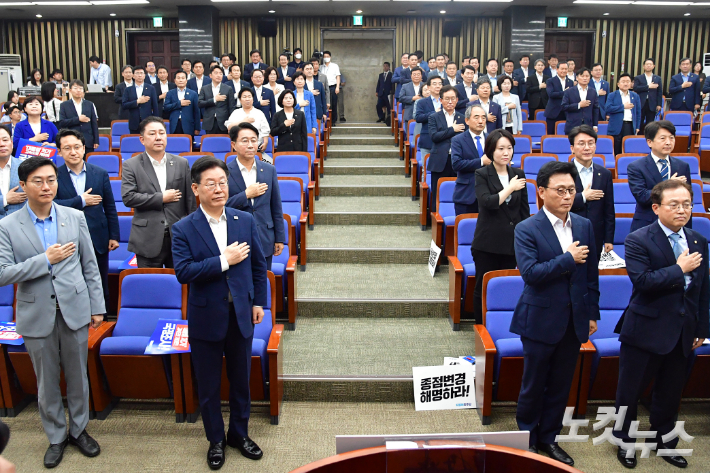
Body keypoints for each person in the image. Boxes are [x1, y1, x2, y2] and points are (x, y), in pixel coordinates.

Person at [0, 157, 105, 469]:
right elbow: (4, 273)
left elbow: (90, 265)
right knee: (46, 382)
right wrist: (45, 259)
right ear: (23, 186)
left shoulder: (73, 216)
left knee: (78, 376)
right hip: (36, 312)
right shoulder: (7, 225)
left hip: (75, 308)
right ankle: (56, 436)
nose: (46, 186)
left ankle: (79, 430)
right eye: (38, 181)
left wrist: (97, 306)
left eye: (51, 180)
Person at [171, 156, 267, 471]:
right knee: (209, 386)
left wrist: (258, 303)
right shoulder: (183, 228)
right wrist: (224, 260)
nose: (218, 189)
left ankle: (239, 434)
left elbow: (257, 267)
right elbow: (184, 272)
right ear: (196, 189)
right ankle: (216, 440)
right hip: (205, 317)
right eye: (210, 184)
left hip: (241, 314)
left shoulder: (244, 220)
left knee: (241, 381)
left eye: (222, 182)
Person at [612, 179, 707, 470]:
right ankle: (624, 441)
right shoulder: (639, 239)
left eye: (687, 204)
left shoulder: (697, 239)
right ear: (656, 208)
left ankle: (665, 443)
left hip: (683, 331)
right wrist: (679, 269)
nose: (682, 210)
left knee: (670, 391)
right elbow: (643, 282)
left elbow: (703, 289)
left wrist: (702, 329)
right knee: (630, 392)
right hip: (645, 329)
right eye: (674, 204)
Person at [512, 160, 599, 466]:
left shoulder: (584, 225)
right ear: (541, 192)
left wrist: (591, 314)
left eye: (572, 190)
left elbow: (591, 276)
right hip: (539, 319)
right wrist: (567, 258)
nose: (567, 196)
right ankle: (527, 438)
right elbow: (531, 273)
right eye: (560, 190)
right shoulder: (527, 228)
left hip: (574, 319)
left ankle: (549, 437)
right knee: (534, 383)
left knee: (562, 384)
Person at [54, 128, 119, 313]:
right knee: (72, 284)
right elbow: (52, 204)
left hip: (97, 237)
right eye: (67, 148)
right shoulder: (54, 176)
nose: (73, 152)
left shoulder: (99, 173)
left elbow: (110, 206)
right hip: (66, 239)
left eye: (77, 147)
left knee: (99, 282)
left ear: (84, 148)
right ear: (60, 151)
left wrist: (113, 235)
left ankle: (102, 322)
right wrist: (80, 200)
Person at [121, 117, 196, 268]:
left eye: (162, 133)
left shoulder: (181, 163)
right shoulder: (131, 165)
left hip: (178, 235)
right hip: (147, 238)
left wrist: (191, 231)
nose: (158, 137)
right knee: (150, 287)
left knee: (179, 285)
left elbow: (190, 200)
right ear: (142, 139)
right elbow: (129, 197)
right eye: (152, 133)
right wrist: (161, 198)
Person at [471, 129, 528, 321]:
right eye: (500, 148)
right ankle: (481, 328)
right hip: (488, 242)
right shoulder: (482, 174)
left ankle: (502, 325)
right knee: (483, 286)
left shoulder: (518, 173)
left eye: (509, 148)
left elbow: (524, 212)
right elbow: (488, 203)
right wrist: (510, 187)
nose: (506, 153)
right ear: (490, 151)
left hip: (512, 243)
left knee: (506, 286)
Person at [226, 123, 284, 269]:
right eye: (245, 141)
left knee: (262, 283)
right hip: (235, 240)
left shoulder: (269, 169)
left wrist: (279, 239)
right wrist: (246, 195)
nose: (251, 145)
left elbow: (276, 206)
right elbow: (221, 206)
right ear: (234, 145)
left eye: (253, 140)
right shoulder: (224, 172)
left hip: (264, 236)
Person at [628, 120, 692, 233]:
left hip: (676, 225)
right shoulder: (636, 167)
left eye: (671, 138)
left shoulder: (682, 166)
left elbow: (688, 198)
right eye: (663, 138)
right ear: (649, 142)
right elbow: (642, 197)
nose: (668, 142)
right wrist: (668, 184)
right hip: (647, 224)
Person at [569, 125, 614, 262]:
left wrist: (608, 239)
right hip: (570, 232)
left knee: (593, 276)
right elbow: (557, 204)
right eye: (581, 144)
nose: (587, 148)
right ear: (572, 148)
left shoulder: (604, 174)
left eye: (591, 143)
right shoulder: (564, 172)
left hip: (596, 234)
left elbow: (609, 209)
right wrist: (583, 197)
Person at [428, 85, 466, 209]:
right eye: (447, 98)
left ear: (457, 100)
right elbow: (434, 136)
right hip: (440, 161)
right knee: (438, 192)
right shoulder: (434, 117)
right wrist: (452, 130)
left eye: (453, 98)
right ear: (441, 100)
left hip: (458, 159)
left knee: (458, 191)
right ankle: (435, 220)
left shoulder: (462, 117)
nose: (450, 102)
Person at [451, 104, 489, 216]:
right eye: (476, 117)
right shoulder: (458, 140)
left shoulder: (492, 138)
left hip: (489, 195)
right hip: (466, 195)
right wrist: (481, 162)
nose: (481, 121)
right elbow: (456, 164)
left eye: (483, 118)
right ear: (467, 120)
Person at [57, 80, 100, 150]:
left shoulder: (89, 104)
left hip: (88, 141)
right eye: (75, 88)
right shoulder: (64, 105)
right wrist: (78, 119)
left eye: (80, 88)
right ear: (70, 90)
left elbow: (94, 123)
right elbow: (62, 122)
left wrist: (96, 140)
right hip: (71, 140)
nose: (78, 90)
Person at [606, 73, 641, 157]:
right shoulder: (612, 95)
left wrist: (637, 127)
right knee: (616, 149)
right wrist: (623, 107)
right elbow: (608, 108)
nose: (626, 83)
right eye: (623, 81)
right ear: (618, 84)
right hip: (616, 126)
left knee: (628, 149)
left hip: (629, 125)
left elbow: (638, 112)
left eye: (628, 81)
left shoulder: (635, 96)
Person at [225, 89, 270, 153]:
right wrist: (244, 121)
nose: (247, 99)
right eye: (244, 97)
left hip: (256, 147)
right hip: (240, 148)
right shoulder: (236, 112)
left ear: (253, 99)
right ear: (240, 100)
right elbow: (229, 127)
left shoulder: (259, 113)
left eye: (249, 97)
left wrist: (265, 142)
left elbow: (265, 130)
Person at [198, 66, 236, 135]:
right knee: (210, 143)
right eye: (216, 73)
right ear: (210, 75)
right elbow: (200, 103)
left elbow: (231, 107)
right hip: (209, 122)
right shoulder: (204, 88)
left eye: (220, 73)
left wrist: (231, 122)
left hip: (223, 122)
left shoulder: (228, 88)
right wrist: (214, 99)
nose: (218, 75)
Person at [561, 67, 599, 136]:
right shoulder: (569, 91)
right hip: (573, 125)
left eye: (587, 76)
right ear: (577, 78)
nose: (585, 78)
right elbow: (564, 107)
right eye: (582, 76)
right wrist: (578, 105)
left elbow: (595, 109)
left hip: (588, 125)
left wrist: (595, 125)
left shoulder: (593, 91)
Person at [122, 66, 159, 134]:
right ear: (133, 76)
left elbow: (155, 106)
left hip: (147, 121)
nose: (139, 75)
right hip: (134, 122)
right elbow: (124, 105)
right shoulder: (128, 90)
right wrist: (137, 102)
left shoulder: (151, 88)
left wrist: (155, 121)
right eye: (137, 73)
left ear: (144, 75)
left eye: (141, 73)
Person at [163, 71, 201, 136]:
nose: (180, 80)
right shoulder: (170, 93)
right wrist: (179, 103)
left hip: (188, 124)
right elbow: (166, 107)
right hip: (175, 123)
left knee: (188, 143)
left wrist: (197, 127)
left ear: (186, 80)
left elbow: (197, 112)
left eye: (183, 78)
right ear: (175, 80)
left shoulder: (193, 94)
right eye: (178, 78)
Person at [0, 125, 26, 218]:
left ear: (11, 143)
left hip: (21, 224)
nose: (2, 144)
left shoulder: (26, 167)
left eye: (5, 140)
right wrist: (4, 200)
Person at [416, 76, 443, 159]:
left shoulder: (447, 101)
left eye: (440, 84)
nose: (437, 86)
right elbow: (418, 118)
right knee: (426, 169)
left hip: (444, 140)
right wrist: (434, 113)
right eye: (434, 84)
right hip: (427, 139)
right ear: (428, 87)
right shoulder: (422, 102)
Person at [633, 58, 663, 132]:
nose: (648, 66)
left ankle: (649, 138)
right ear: (643, 66)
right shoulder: (638, 78)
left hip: (652, 103)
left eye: (650, 64)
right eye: (647, 64)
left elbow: (659, 92)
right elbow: (635, 88)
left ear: (653, 66)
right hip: (641, 103)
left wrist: (659, 104)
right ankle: (638, 138)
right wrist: (648, 87)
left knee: (650, 124)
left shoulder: (658, 78)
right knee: (639, 122)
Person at [544, 62, 573, 135]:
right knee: (551, 134)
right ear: (557, 69)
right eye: (562, 69)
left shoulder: (570, 82)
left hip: (566, 112)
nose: (564, 71)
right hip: (553, 112)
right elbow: (551, 94)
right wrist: (565, 92)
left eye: (566, 69)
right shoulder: (550, 81)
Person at [293, 71, 317, 135]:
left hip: (307, 122)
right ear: (294, 82)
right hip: (294, 122)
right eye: (297, 79)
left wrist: (314, 126)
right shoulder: (291, 94)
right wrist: (299, 105)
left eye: (301, 79)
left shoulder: (309, 94)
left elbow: (313, 111)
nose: (300, 81)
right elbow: (289, 109)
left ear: (304, 81)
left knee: (306, 142)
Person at [321, 51, 341, 124]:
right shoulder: (321, 67)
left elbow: (338, 76)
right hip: (323, 88)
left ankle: (333, 121)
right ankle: (325, 121)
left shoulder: (335, 66)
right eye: (325, 57)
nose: (326, 58)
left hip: (332, 87)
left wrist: (337, 87)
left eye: (327, 56)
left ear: (330, 57)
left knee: (333, 104)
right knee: (325, 104)